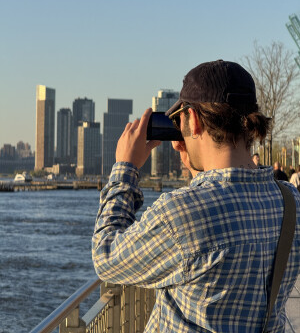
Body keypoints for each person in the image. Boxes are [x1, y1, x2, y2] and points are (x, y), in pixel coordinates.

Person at [92, 60, 300, 332]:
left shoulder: (180, 213)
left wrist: (125, 169)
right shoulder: (291, 201)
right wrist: (197, 168)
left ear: (192, 119)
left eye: (179, 121)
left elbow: (106, 255)